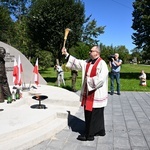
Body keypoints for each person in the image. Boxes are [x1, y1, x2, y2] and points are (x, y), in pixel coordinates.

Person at [62, 46, 108, 141]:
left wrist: (89, 80)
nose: (89, 52)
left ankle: (89, 135)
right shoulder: (88, 62)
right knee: (96, 114)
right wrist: (66, 54)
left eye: (91, 51)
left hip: (96, 93)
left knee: (92, 114)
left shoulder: (102, 63)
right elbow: (77, 62)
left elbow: (101, 78)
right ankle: (100, 130)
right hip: (89, 92)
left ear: (97, 53)